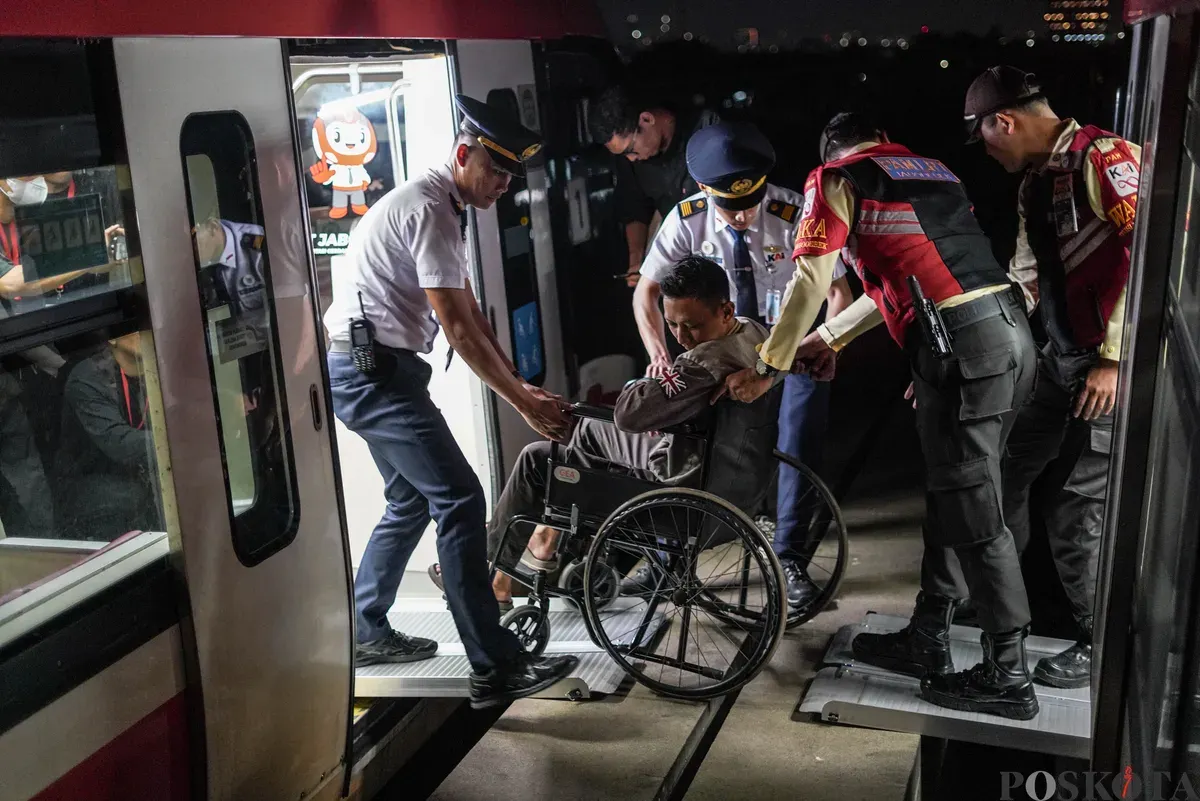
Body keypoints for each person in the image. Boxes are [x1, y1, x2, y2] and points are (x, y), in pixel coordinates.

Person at [721, 112, 1040, 720]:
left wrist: (769, 363)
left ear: (832, 151)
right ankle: (929, 635)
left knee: (977, 511)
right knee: (954, 494)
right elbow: (901, 279)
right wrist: (828, 339)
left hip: (960, 344)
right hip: (1005, 333)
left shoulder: (835, 177)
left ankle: (1008, 673)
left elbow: (811, 278)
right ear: (885, 140)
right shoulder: (933, 170)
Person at [322, 93, 577, 708]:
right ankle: (493, 666)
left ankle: (365, 628)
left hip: (376, 372)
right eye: (495, 171)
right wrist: (520, 402)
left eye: (511, 175)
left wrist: (518, 381)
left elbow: (469, 309)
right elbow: (457, 330)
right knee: (460, 498)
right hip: (373, 377)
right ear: (463, 155)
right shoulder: (430, 209)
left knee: (411, 499)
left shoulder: (444, 205)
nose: (503, 185)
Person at [964, 66, 1138, 688]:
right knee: (1003, 472)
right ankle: (999, 604)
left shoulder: (1104, 157)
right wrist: (978, 351)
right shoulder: (1037, 182)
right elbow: (1025, 279)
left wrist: (1115, 358)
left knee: (1076, 509)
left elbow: (1152, 255)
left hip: (1109, 368)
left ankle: (1100, 643)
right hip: (1060, 358)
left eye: (985, 137)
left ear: (1004, 122)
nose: (986, 151)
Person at [631, 120, 853, 608]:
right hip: (721, 354)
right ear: (703, 189)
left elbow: (839, 292)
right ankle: (671, 558)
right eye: (728, 207)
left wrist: (823, 347)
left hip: (791, 349)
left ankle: (789, 558)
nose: (740, 216)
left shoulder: (797, 213)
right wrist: (660, 355)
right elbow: (646, 291)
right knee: (691, 446)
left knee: (796, 444)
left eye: (749, 204)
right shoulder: (688, 219)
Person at [472, 255, 780, 606]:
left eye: (691, 326)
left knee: (542, 456)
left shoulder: (700, 363)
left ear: (725, 311)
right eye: (672, 325)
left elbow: (629, 416)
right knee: (582, 442)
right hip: (738, 483)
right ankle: (545, 540)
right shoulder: (755, 333)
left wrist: (649, 383)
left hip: (684, 492)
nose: (681, 338)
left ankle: (498, 572)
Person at [590, 84, 720, 287]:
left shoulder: (707, 130)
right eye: (624, 155)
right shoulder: (634, 162)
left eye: (630, 150)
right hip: (681, 260)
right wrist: (637, 263)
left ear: (646, 119)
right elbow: (634, 207)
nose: (631, 159)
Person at [58, 332, 164, 540]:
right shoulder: (87, 378)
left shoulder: (159, 366)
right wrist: (180, 440)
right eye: (135, 328)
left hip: (142, 475)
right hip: (95, 484)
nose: (146, 331)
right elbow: (118, 443)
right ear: (113, 338)